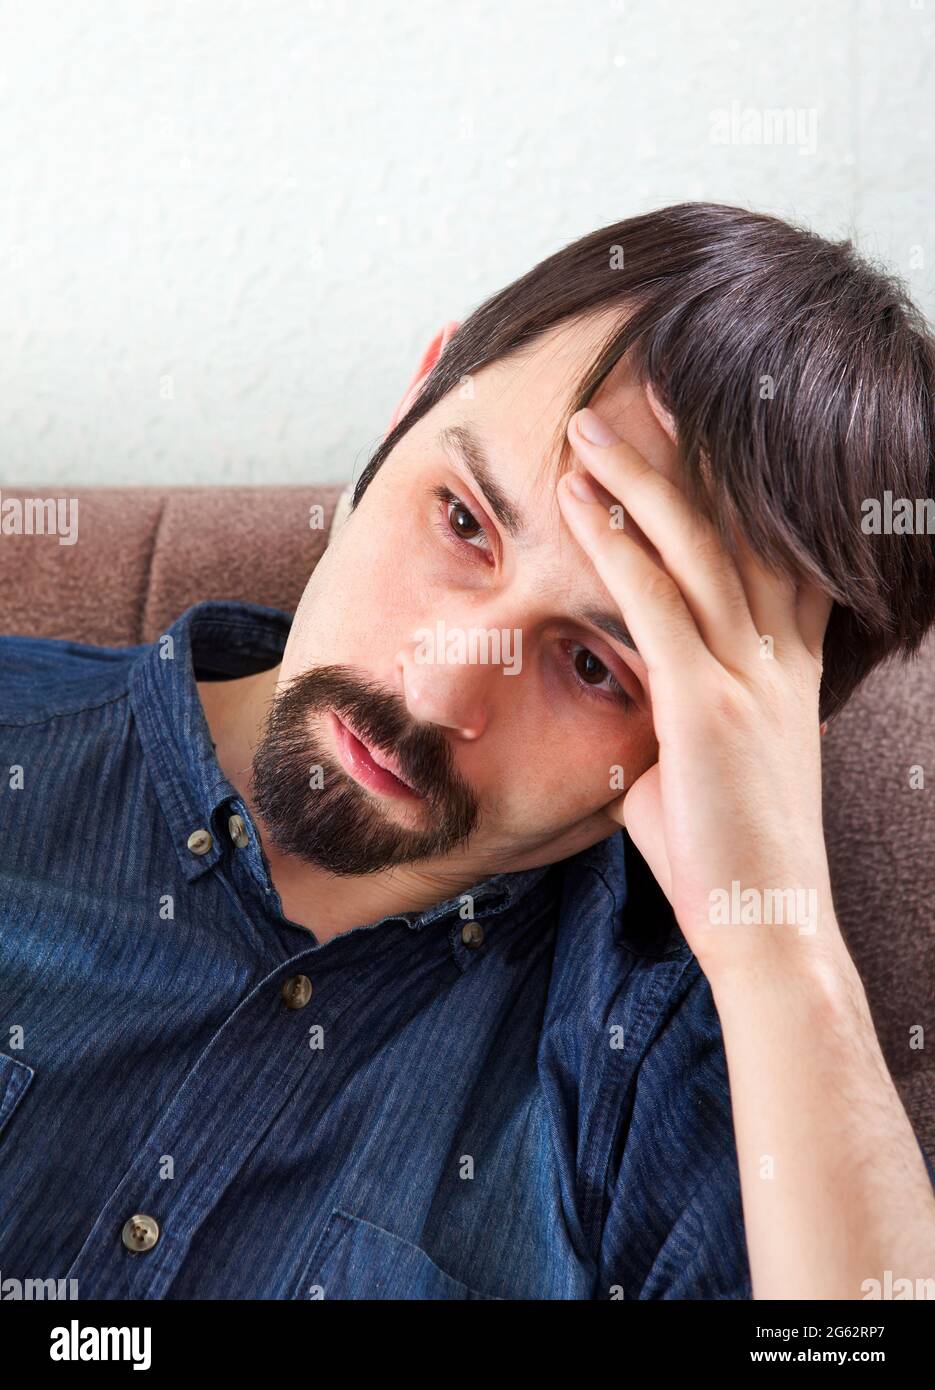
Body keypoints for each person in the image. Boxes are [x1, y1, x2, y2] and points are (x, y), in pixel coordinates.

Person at [1, 202, 933, 1300]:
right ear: (413, 402)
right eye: (463, 523)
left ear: (743, 743)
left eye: (595, 668)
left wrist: (787, 961)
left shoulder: (673, 1080)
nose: (439, 689)